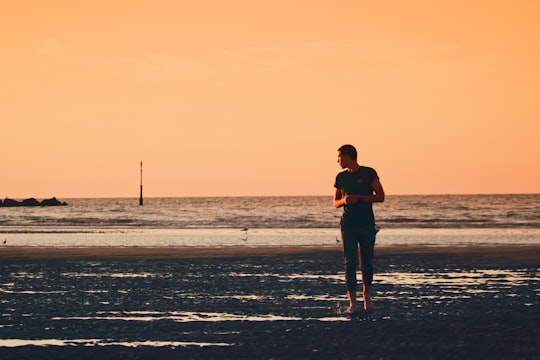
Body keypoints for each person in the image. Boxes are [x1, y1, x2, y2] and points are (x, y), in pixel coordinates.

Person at [334, 144, 385, 313]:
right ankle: (352, 303)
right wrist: (345, 201)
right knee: (350, 262)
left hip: (366, 223)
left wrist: (361, 198)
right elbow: (335, 202)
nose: (338, 160)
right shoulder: (340, 177)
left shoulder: (369, 172)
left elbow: (380, 196)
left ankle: (367, 297)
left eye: (339, 157)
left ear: (348, 156)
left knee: (366, 262)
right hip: (347, 224)